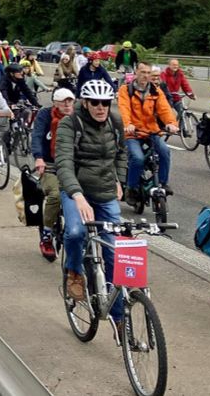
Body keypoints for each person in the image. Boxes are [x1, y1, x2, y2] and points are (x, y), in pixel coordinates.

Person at [55, 79, 127, 339]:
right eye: (95, 103)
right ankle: (74, 272)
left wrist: (120, 179)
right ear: (85, 102)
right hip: (76, 191)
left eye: (105, 103)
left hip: (106, 192)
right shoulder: (70, 123)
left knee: (115, 252)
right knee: (75, 232)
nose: (100, 107)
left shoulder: (115, 121)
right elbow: (63, 162)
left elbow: (121, 153)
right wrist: (77, 195)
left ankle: (120, 319)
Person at [118, 62, 178, 205]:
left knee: (164, 152)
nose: (145, 76)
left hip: (152, 131)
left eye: (148, 73)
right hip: (134, 132)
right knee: (137, 158)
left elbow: (164, 110)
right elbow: (124, 109)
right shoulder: (126, 90)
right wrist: (128, 125)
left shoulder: (156, 91)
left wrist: (171, 124)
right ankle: (131, 189)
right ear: (136, 73)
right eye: (143, 72)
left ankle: (163, 183)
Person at [31, 88, 76, 261]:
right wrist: (39, 158)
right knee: (56, 195)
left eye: (70, 101)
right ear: (56, 102)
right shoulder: (45, 115)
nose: (67, 105)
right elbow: (37, 136)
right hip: (50, 165)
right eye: (63, 101)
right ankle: (47, 234)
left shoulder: (77, 117)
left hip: (72, 165)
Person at [161, 59, 195, 132]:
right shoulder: (164, 74)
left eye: (176, 65)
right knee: (167, 114)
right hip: (167, 97)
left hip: (176, 97)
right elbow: (162, 85)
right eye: (173, 64)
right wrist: (167, 93)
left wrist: (191, 94)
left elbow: (185, 84)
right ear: (169, 65)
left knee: (181, 111)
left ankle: (182, 129)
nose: (175, 66)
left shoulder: (180, 74)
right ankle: (165, 126)